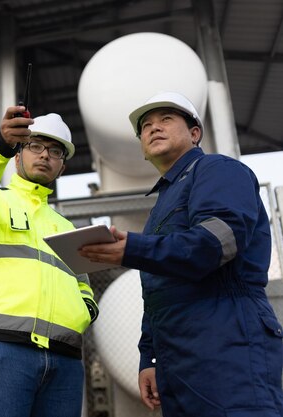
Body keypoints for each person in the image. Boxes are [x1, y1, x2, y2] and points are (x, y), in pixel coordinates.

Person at [78, 91, 283, 417]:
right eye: (145, 126)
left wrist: (132, 248)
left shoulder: (217, 169)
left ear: (195, 133)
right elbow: (157, 289)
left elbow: (216, 243)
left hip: (226, 340)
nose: (153, 128)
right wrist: (150, 358)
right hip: (177, 357)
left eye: (166, 120)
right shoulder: (163, 203)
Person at [0, 106, 99, 417]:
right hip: (3, 350)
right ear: (17, 155)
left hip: (65, 358)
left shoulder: (68, 227)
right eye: (35, 145)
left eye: (55, 151)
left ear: (62, 167)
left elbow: (84, 287)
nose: (45, 155)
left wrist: (84, 313)